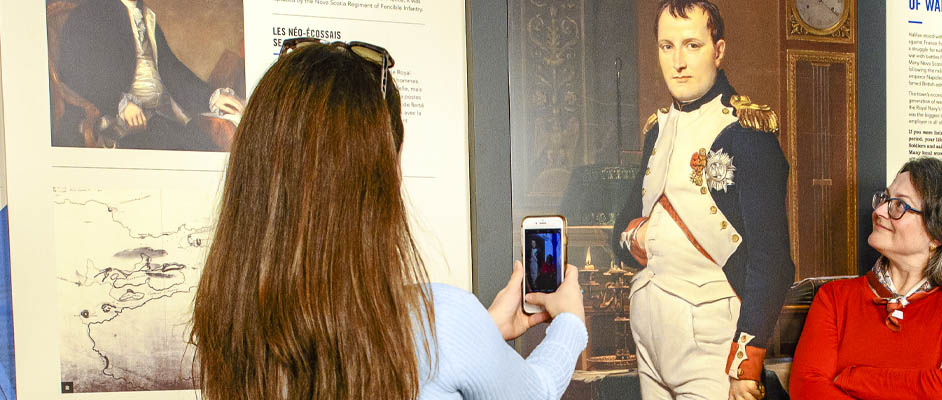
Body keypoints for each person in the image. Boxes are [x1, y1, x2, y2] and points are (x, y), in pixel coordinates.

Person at [189, 39, 587, 400]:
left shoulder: (233, 332)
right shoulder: (441, 323)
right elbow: (534, 392)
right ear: (381, 175)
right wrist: (569, 322)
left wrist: (482, 334)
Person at [610, 1, 794, 399]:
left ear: (719, 50)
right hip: (649, 328)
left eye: (692, 45)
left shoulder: (748, 132)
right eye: (667, 46)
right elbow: (620, 230)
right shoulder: (657, 130)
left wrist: (746, 365)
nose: (678, 61)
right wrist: (635, 237)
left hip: (710, 333)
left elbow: (772, 261)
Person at [789, 157, 942, 399]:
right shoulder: (834, 298)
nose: (878, 211)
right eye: (885, 199)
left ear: (938, 233)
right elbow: (806, 390)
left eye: (899, 205)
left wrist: (853, 377)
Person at [56, 0, 244, 150]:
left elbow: (173, 72)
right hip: (122, 125)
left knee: (207, 144)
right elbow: (78, 73)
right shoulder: (89, 14)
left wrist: (211, 97)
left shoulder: (148, 17)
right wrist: (119, 103)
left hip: (162, 117)